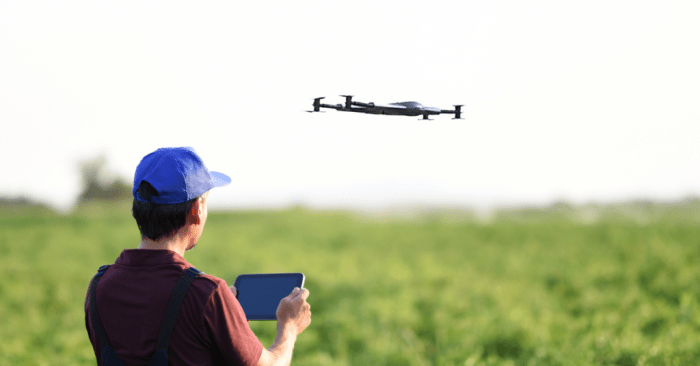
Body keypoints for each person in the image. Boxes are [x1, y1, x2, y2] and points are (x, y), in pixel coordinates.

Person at [84, 147, 311, 366]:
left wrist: (229, 325)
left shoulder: (99, 286)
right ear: (196, 210)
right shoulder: (206, 293)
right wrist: (288, 327)